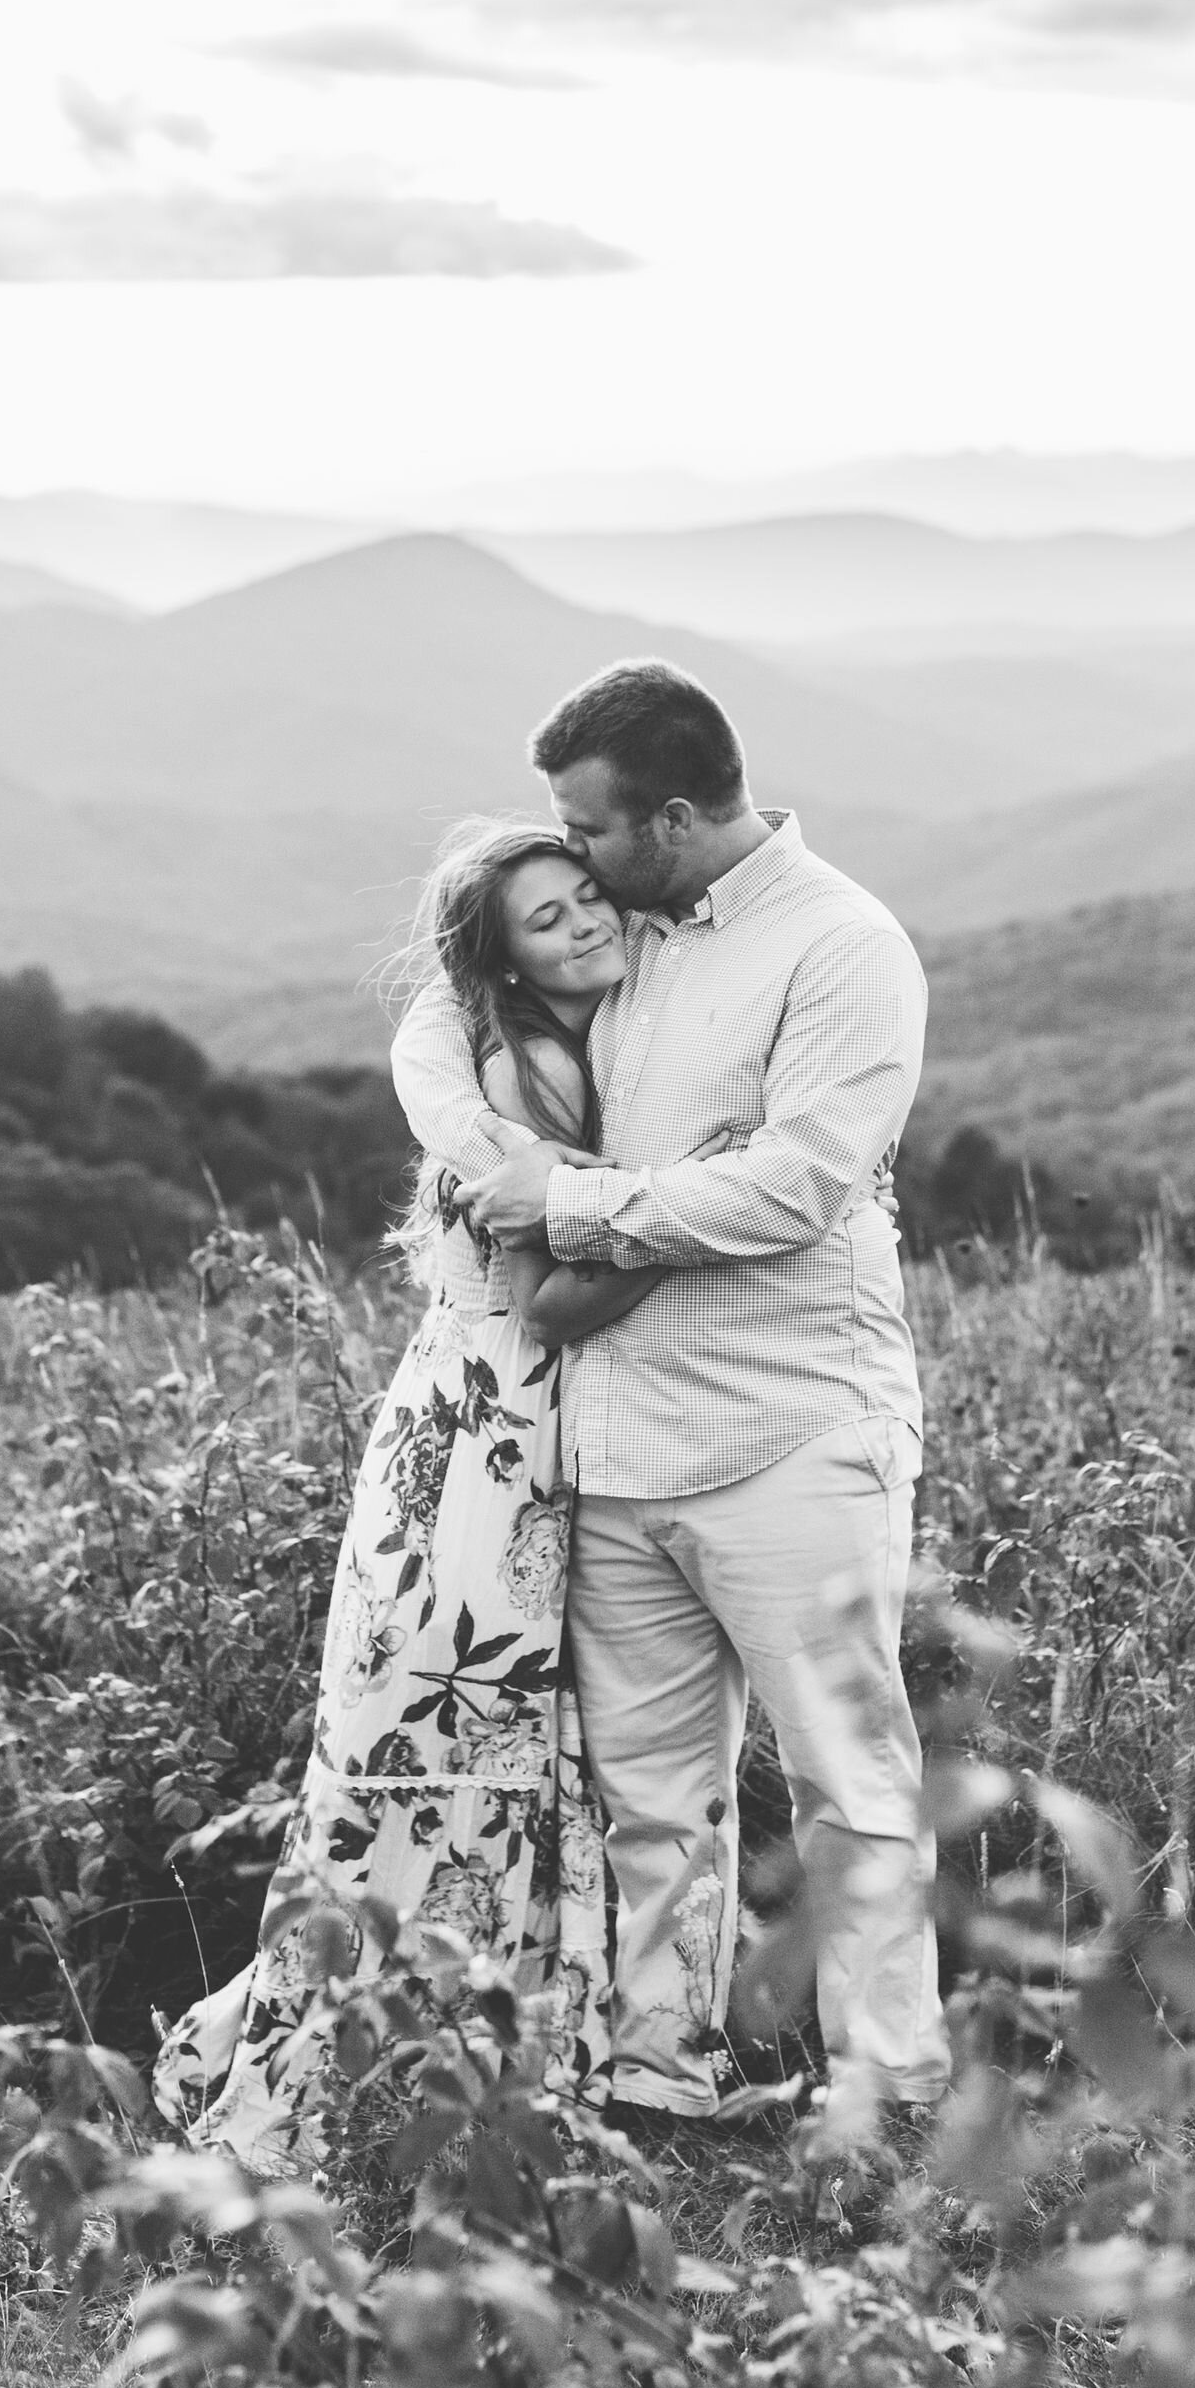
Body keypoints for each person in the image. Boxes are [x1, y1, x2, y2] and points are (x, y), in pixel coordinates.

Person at [392, 658, 948, 2135]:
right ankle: (660, 2070)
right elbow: (455, 1017)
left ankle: (887, 2096)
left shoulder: (843, 947)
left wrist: (578, 1210)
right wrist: (478, 1133)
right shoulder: (613, 931)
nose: (569, 851)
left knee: (850, 1782)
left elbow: (798, 1185)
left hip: (793, 1435)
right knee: (650, 1801)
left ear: (681, 817)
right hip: (614, 1444)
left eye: (591, 826)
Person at [153, 818, 661, 2167]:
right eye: (547, 919)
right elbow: (553, 1302)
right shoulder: (515, 1079)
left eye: (588, 897)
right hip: (492, 1442)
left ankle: (481, 2059)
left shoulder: (590, 1036)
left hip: (503, 1437)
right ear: (500, 964)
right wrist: (695, 1214)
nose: (586, 923)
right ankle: (409, 2063)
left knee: (501, 1743)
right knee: (462, 1733)